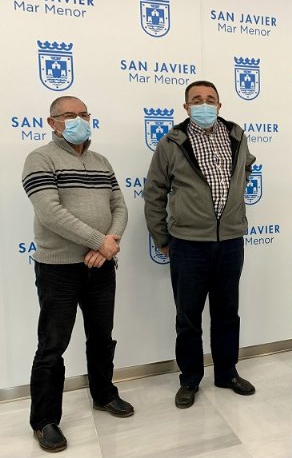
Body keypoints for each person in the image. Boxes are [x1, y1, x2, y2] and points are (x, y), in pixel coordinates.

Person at [22, 96, 133, 452]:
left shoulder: (101, 161)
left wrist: (108, 244)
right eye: (69, 115)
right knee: (52, 346)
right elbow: (50, 213)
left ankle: (104, 394)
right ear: (52, 122)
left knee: (102, 336)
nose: (78, 120)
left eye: (83, 114)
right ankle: (45, 420)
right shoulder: (40, 159)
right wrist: (100, 241)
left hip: (101, 265)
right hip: (58, 269)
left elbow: (119, 206)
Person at [144, 80, 256, 409]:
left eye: (210, 99)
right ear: (186, 107)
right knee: (188, 318)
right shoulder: (171, 142)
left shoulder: (236, 134)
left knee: (227, 313)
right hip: (189, 245)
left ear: (219, 105)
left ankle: (227, 373)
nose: (204, 104)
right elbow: (154, 192)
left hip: (230, 241)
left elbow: (246, 167)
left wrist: (236, 199)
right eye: (196, 100)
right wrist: (162, 237)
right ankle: (190, 379)